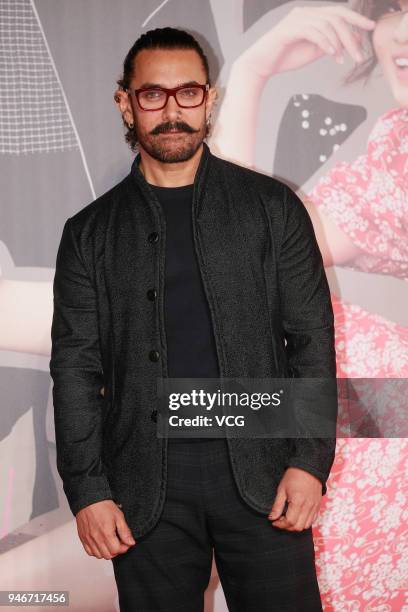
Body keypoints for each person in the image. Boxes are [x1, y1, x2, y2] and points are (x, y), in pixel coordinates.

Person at [49, 27, 337, 611]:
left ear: (210, 99)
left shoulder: (273, 208)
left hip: (264, 474)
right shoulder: (88, 234)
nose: (172, 111)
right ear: (124, 101)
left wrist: (308, 463)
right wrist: (87, 490)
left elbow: (311, 342)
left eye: (188, 93)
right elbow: (75, 369)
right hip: (143, 486)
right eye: (153, 95)